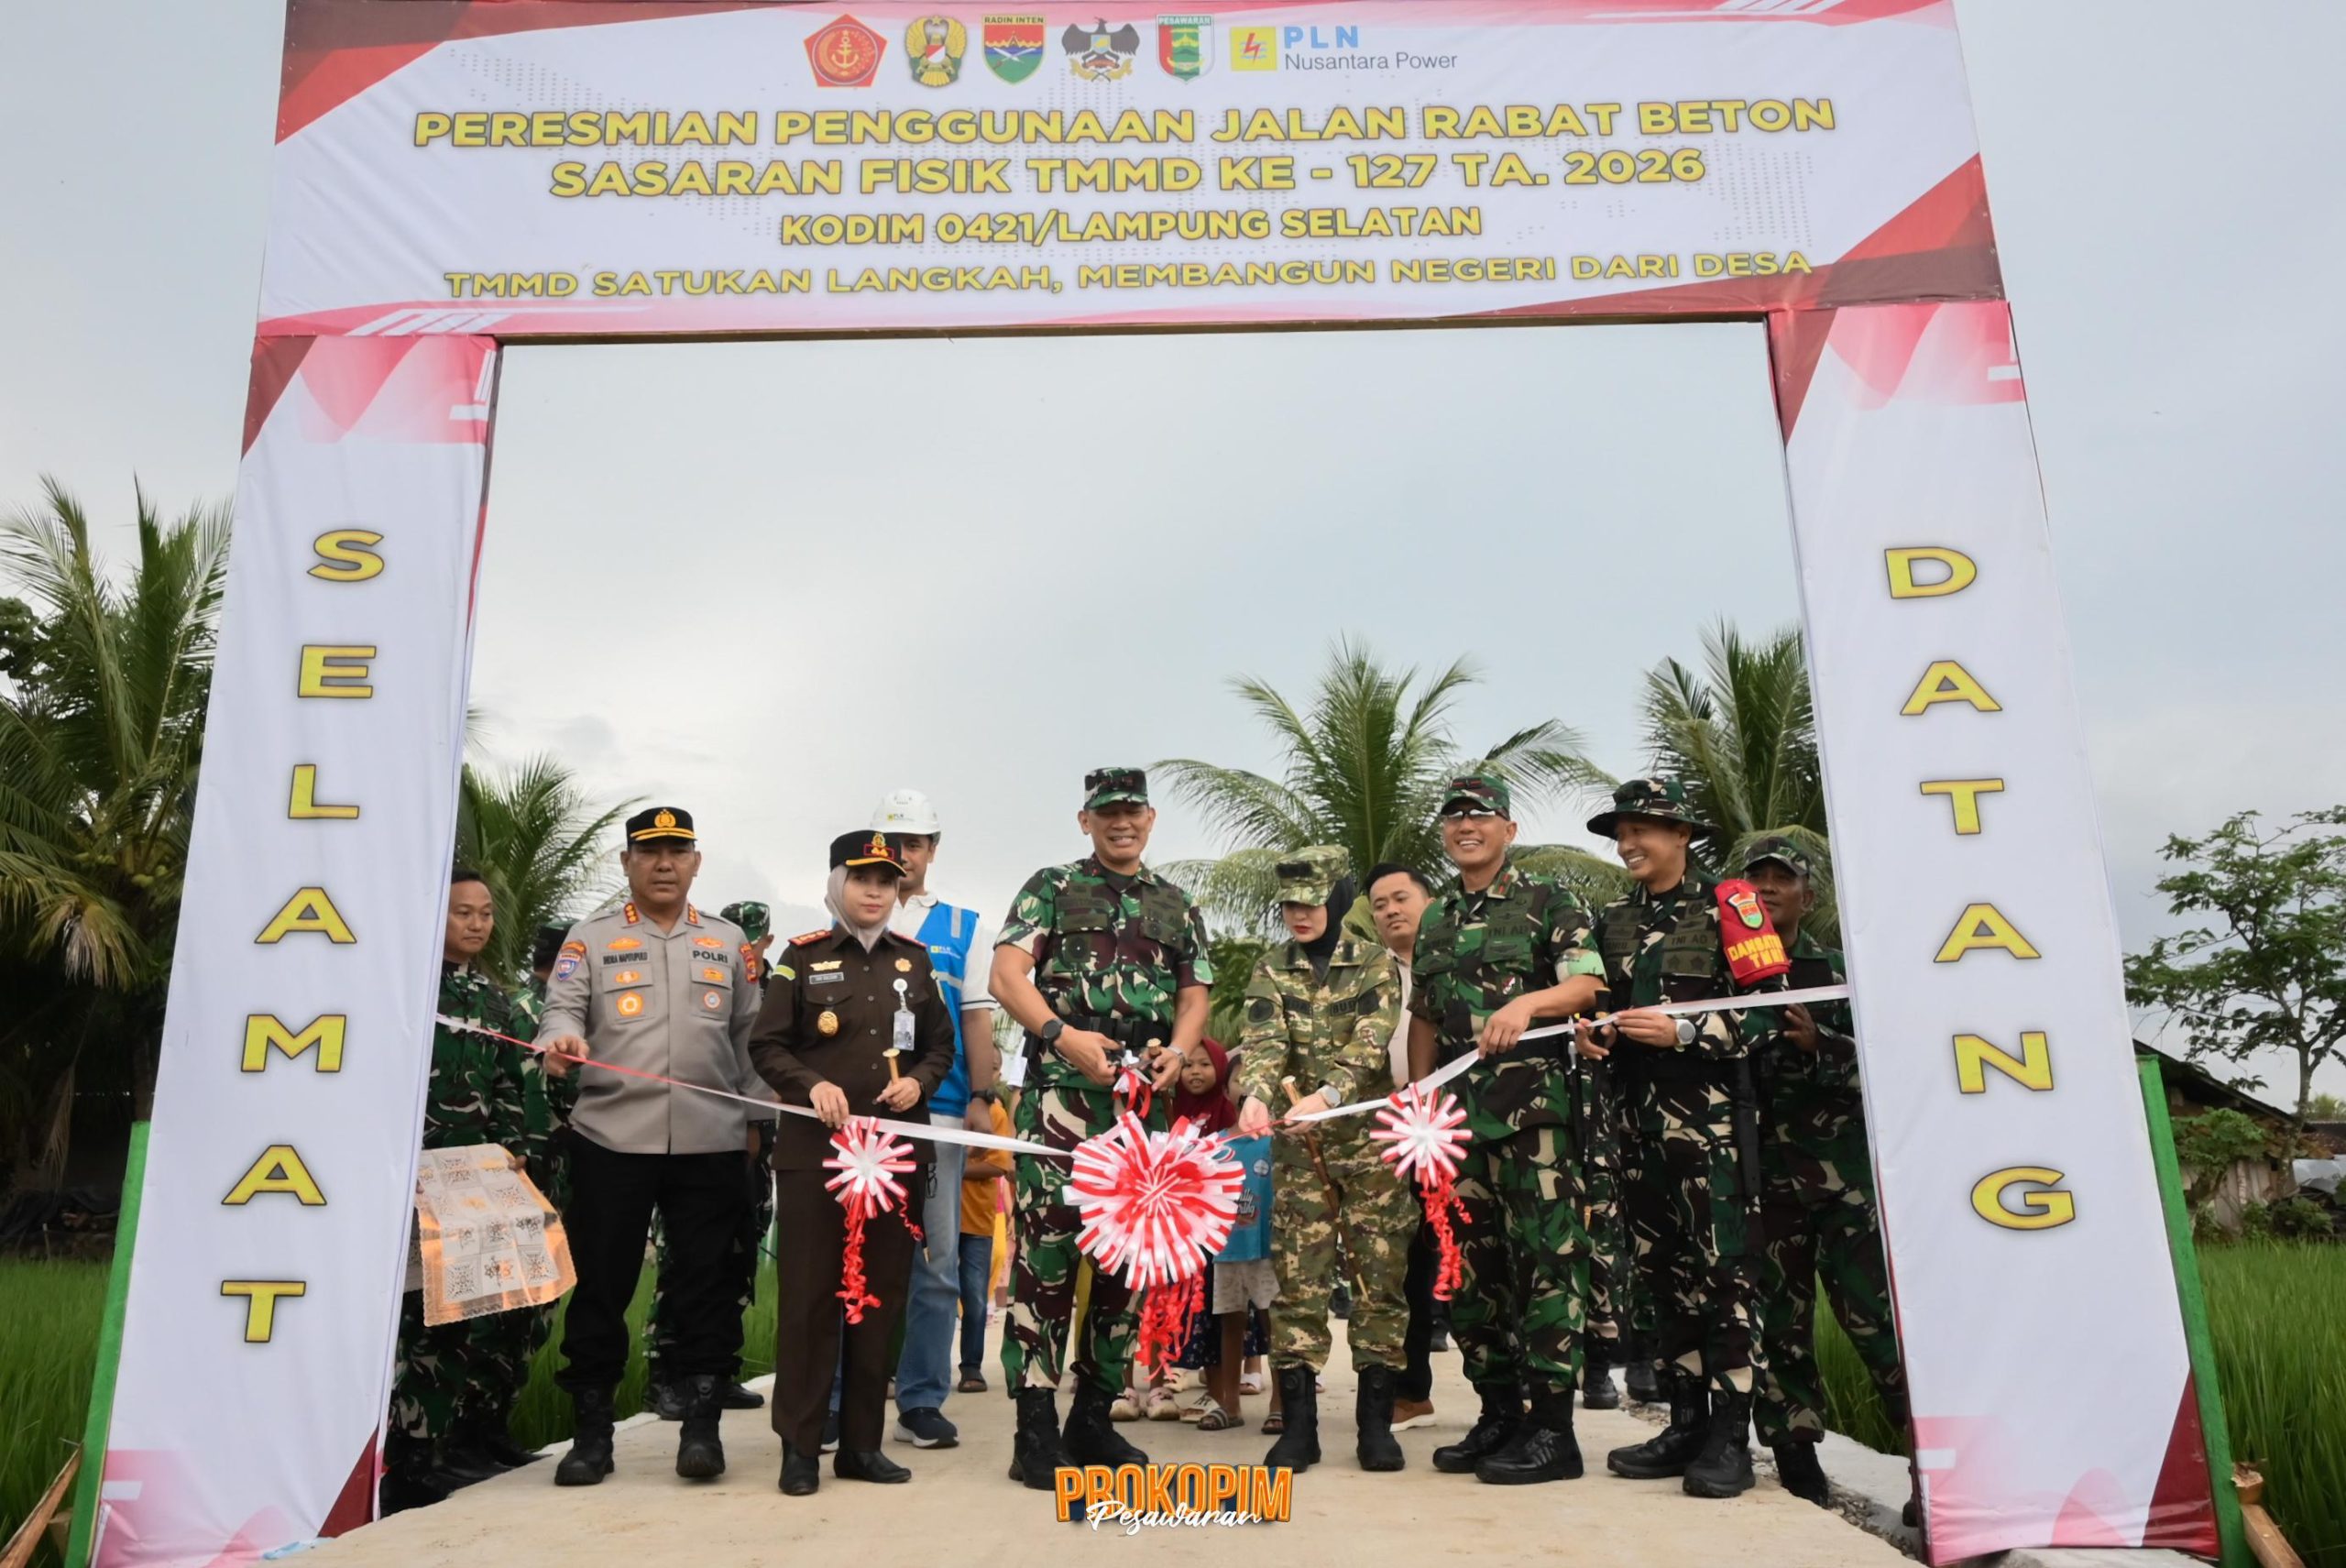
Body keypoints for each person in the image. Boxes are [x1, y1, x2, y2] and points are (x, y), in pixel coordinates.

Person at [989, 767, 1211, 1490]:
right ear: (1086, 820)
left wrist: (1178, 1051)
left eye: (1133, 812)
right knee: (1046, 1262)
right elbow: (1007, 975)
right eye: (1107, 813)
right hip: (1061, 1103)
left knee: (1125, 1267)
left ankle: (1093, 1414)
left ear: (1151, 818)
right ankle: (1035, 1429)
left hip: (1140, 1111)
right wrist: (1061, 1034)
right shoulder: (1051, 886)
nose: (1122, 823)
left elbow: (1194, 992)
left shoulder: (1174, 902)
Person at [535, 806, 765, 1487]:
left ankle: (701, 1427)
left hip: (711, 1140)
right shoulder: (592, 937)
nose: (664, 863)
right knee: (603, 1286)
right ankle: (592, 1433)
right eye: (650, 852)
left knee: (708, 1285)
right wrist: (561, 1040)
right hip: (613, 1138)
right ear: (627, 862)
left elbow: (752, 1039)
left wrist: (763, 1123)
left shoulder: (728, 942)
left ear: (696, 862)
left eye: (677, 851)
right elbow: (561, 1009)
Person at [1581, 777, 1783, 1500]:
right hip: (1635, 1132)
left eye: (1643, 831)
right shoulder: (1610, 922)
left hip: (1713, 1134)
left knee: (1726, 1280)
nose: (1629, 844)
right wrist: (1593, 1036)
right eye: (1620, 834)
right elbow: (1598, 1005)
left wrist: (1688, 1028)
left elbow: (1771, 1016)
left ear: (1681, 836)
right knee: (1663, 1281)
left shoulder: (1732, 905)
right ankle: (1686, 1422)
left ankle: (1730, 1435)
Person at [1405, 773, 1606, 1486]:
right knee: (1471, 1275)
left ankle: (1553, 1429)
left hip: (1533, 1117)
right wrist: (1419, 1101)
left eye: (1480, 815)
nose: (1466, 826)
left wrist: (1528, 1002)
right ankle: (1498, 1412)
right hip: (1458, 1125)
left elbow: (1587, 985)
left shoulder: (1549, 898)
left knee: (1549, 1263)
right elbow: (1426, 1013)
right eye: (1453, 816)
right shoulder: (1435, 918)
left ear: (1508, 829)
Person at [750, 830, 957, 1497]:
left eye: (888, 881)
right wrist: (809, 1084)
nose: (875, 891)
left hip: (893, 1155)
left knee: (880, 1297)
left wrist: (920, 1084)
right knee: (811, 1297)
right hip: (817, 1158)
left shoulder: (915, 963)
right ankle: (802, 1446)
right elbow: (767, 1043)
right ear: (837, 881)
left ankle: (863, 1445)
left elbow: (940, 1048)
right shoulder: (801, 958)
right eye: (863, 878)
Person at [1741, 837, 1908, 1508]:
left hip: (1842, 1185)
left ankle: (1931, 1459)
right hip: (1764, 1184)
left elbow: (1889, 1066)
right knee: (1778, 1322)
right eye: (1758, 880)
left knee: (1879, 1320)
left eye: (1784, 879)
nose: (1770, 889)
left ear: (1808, 896)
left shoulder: (1842, 972)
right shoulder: (1728, 979)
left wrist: (1821, 1045)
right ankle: (1795, 1457)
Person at [1233, 847, 1410, 1473]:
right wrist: (1255, 1092)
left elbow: (1371, 1041)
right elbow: (1263, 1038)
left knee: (1378, 1280)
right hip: (1299, 1153)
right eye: (1288, 904)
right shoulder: (1272, 967)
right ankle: (1300, 1428)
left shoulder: (1374, 964)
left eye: (1310, 902)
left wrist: (1326, 1093)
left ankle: (1375, 1425)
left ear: (1335, 900)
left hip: (1368, 1148)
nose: (1298, 915)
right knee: (1299, 1282)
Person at [381, 869, 537, 1514]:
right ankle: (406, 1462)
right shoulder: (401, 989)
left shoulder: (496, 1002)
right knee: (416, 1324)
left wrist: (511, 1155)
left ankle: (459, 1442)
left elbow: (512, 1086)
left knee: (470, 1319)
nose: (475, 924)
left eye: (484, 914)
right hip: (406, 1181)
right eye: (461, 913)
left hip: (474, 1186)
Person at [869, 788, 1001, 1452]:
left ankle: (921, 1397)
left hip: (941, 1114)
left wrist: (981, 1094)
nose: (902, 857)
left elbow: (976, 1017)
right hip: (861, 1120)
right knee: (857, 1257)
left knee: (937, 1259)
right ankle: (846, 1392)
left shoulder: (966, 926)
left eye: (914, 844)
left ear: (933, 849)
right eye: (891, 844)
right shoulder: (852, 912)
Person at [646, 898, 779, 1420]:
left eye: (753, 938)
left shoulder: (772, 987)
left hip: (759, 1145)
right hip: (701, 1139)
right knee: (685, 1258)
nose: (744, 947)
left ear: (766, 941)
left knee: (738, 1258)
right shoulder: (703, 979)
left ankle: (716, 1371)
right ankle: (665, 1374)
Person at [1365, 861, 1444, 1432]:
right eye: (1379, 905)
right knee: (1404, 1261)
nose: (1391, 910)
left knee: (1477, 1257)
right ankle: (1410, 1389)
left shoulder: (1461, 958)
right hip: (1393, 1128)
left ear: (1429, 900)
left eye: (1400, 898)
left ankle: (1514, 1393)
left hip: (1469, 1123)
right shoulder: (1369, 975)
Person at [958, 1088, 1014, 1393]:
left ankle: (971, 1368)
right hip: (937, 1216)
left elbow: (998, 1164)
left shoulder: (995, 1113)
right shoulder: (942, 1105)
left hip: (978, 1219)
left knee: (976, 1299)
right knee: (931, 1296)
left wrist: (953, 1168)